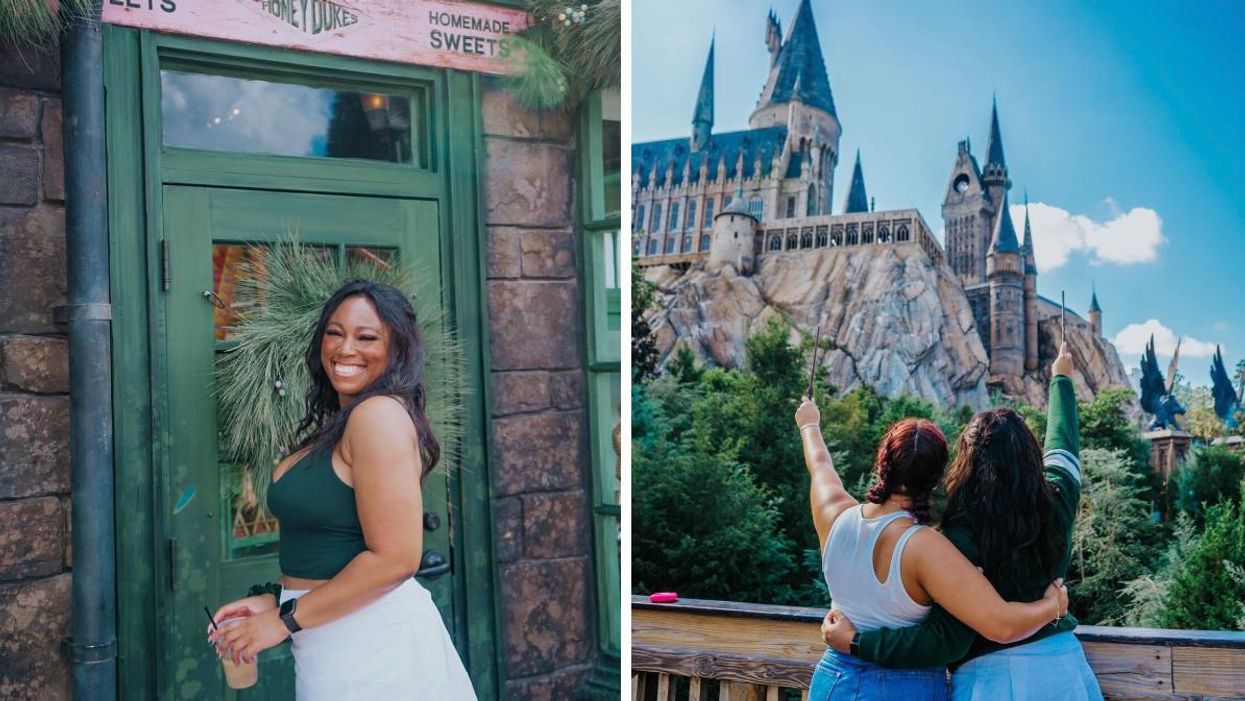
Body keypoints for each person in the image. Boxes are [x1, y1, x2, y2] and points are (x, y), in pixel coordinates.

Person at [208, 280, 476, 700]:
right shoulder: (342, 422)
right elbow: (327, 548)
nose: (345, 348)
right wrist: (274, 599)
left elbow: (396, 559)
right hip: (331, 643)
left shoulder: (378, 416)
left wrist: (281, 621)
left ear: (397, 349)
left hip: (376, 651)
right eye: (334, 333)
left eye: (366, 338)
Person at [821, 342, 1103, 701]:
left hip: (989, 683)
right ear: (1032, 456)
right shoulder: (1058, 500)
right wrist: (1061, 379)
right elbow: (1064, 443)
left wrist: (858, 642)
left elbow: (945, 639)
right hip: (1065, 670)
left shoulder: (957, 538)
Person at [797, 394, 1067, 700]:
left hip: (834, 677)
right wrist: (1052, 607)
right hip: (903, 687)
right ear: (937, 478)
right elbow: (1001, 625)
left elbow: (820, 465)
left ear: (882, 462)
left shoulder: (834, 514)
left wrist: (809, 424)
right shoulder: (927, 548)